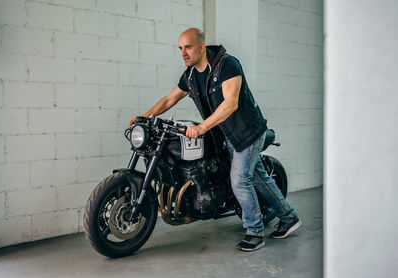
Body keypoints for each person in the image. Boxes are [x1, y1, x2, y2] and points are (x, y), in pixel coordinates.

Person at [129, 28, 301, 251]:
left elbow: (231, 103)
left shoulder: (227, 65)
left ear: (201, 47)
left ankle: (255, 231)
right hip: (225, 135)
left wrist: (202, 127)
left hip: (246, 132)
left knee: (240, 181)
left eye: (188, 47)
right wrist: (145, 117)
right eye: (180, 48)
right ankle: (289, 217)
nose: (183, 53)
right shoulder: (190, 75)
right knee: (259, 178)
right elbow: (170, 98)